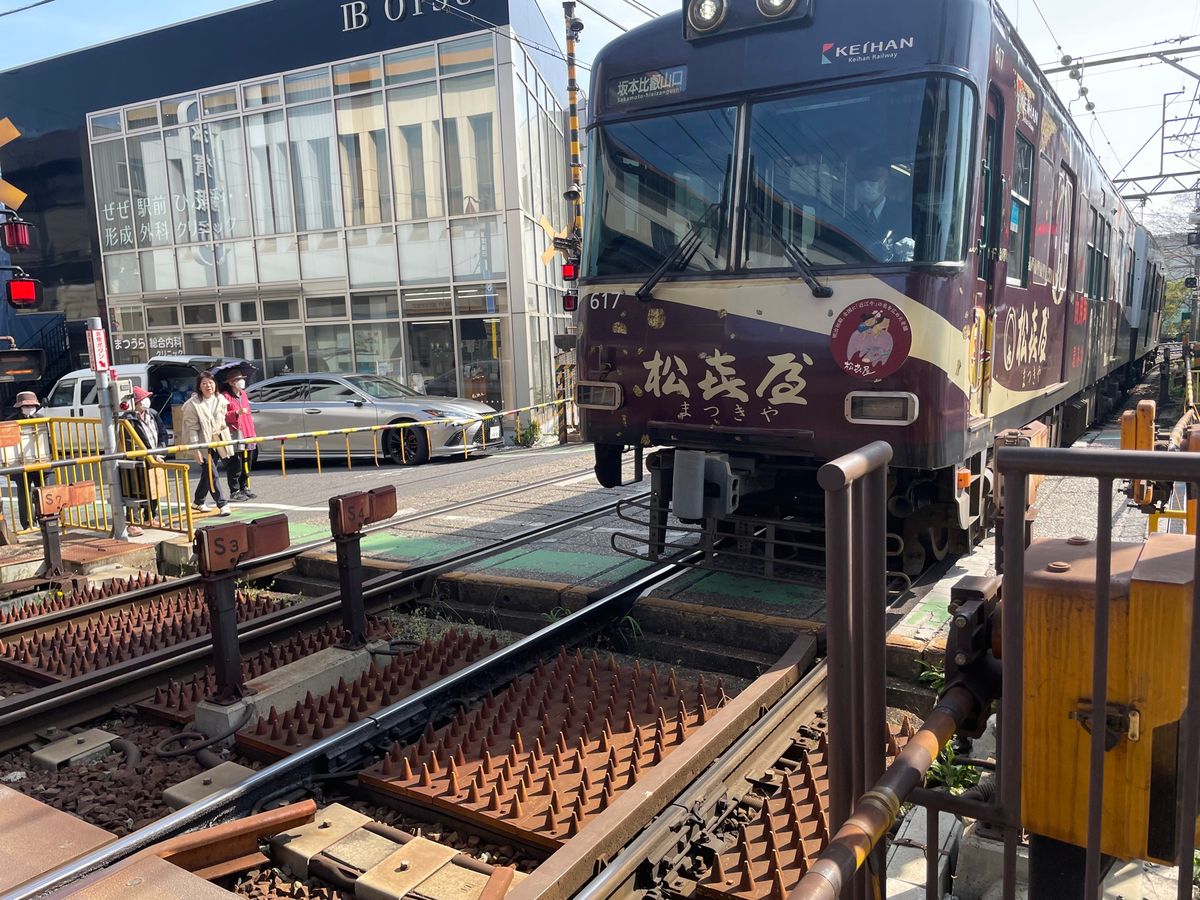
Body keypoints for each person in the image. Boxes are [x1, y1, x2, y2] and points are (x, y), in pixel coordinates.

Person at [181, 371, 233, 516]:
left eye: (210, 382)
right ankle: (222, 504)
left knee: (207, 473)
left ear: (215, 384)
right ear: (199, 386)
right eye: (204, 383)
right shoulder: (192, 404)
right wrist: (196, 449)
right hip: (202, 444)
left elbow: (222, 419)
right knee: (212, 474)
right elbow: (192, 429)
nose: (208, 386)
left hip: (218, 441)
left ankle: (198, 501)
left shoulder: (220, 399)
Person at [121, 385, 168, 534]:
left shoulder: (152, 414)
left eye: (146, 398)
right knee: (134, 491)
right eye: (142, 399)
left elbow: (162, 433)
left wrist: (160, 451)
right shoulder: (128, 418)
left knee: (154, 488)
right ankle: (132, 522)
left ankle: (150, 517)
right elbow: (129, 442)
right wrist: (144, 455)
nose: (146, 401)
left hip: (155, 457)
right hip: (137, 460)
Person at [852, 160, 913, 258]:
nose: (865, 183)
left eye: (873, 178)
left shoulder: (906, 215)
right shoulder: (849, 220)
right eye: (860, 179)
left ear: (886, 182)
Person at [4, 391, 44, 530]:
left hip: (41, 463)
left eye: (32, 405)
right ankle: (27, 524)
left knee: (42, 491)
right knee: (24, 493)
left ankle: (44, 519)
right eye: (26, 406)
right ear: (20, 407)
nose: (29, 407)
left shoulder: (42, 418)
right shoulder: (11, 421)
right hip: (20, 464)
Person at [220, 368, 257, 502]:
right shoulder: (224, 396)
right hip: (234, 432)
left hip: (247, 431)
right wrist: (236, 413)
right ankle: (234, 490)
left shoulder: (243, 394)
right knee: (236, 463)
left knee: (248, 461)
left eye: (242, 378)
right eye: (238, 380)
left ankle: (245, 487)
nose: (241, 382)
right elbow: (222, 415)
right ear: (231, 383)